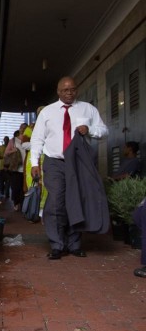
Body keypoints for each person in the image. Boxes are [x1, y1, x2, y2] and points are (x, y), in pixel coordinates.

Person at [30, 76, 108, 260]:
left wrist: (90, 130)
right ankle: (57, 244)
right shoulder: (47, 112)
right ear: (58, 92)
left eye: (72, 89)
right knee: (56, 201)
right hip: (54, 161)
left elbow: (104, 130)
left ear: (77, 90)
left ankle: (74, 244)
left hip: (79, 162)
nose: (69, 93)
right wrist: (35, 163)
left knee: (76, 200)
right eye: (65, 90)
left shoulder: (88, 109)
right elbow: (37, 139)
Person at [6, 130, 26, 211]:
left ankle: (23, 204)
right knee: (16, 188)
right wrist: (13, 151)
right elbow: (6, 153)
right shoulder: (13, 141)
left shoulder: (28, 139)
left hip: (25, 169)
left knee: (23, 188)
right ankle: (16, 203)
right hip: (15, 169)